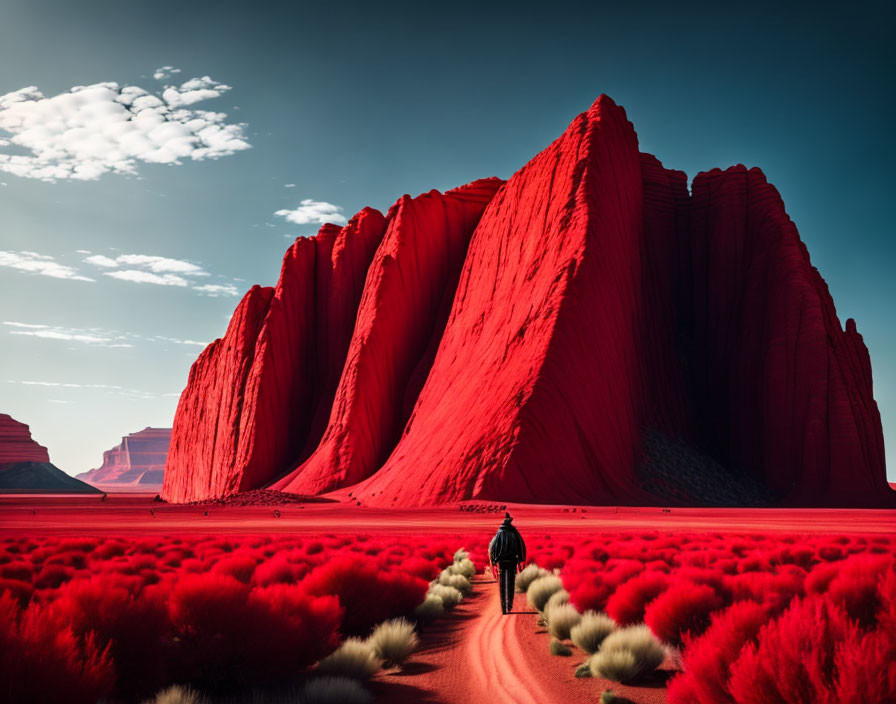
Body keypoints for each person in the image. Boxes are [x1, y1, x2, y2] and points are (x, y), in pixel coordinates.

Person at [488, 511, 527, 614]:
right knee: (511, 583)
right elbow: (521, 545)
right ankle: (509, 604)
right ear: (510, 522)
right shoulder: (514, 532)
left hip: (501, 561)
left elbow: (491, 547)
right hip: (512, 560)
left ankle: (503, 607)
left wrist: (492, 560)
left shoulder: (499, 533)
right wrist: (521, 558)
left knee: (502, 583)